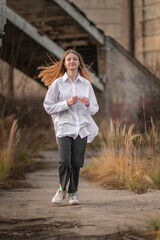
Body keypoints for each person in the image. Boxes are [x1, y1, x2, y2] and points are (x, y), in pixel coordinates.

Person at [38, 49, 99, 205]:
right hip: (64, 127)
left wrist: (87, 104)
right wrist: (67, 103)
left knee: (77, 163)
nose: (72, 61)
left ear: (79, 63)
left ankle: (73, 193)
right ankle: (61, 189)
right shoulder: (57, 84)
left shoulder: (86, 84)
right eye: (69, 59)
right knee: (65, 161)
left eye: (75, 59)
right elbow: (48, 106)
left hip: (82, 128)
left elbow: (94, 109)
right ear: (64, 64)